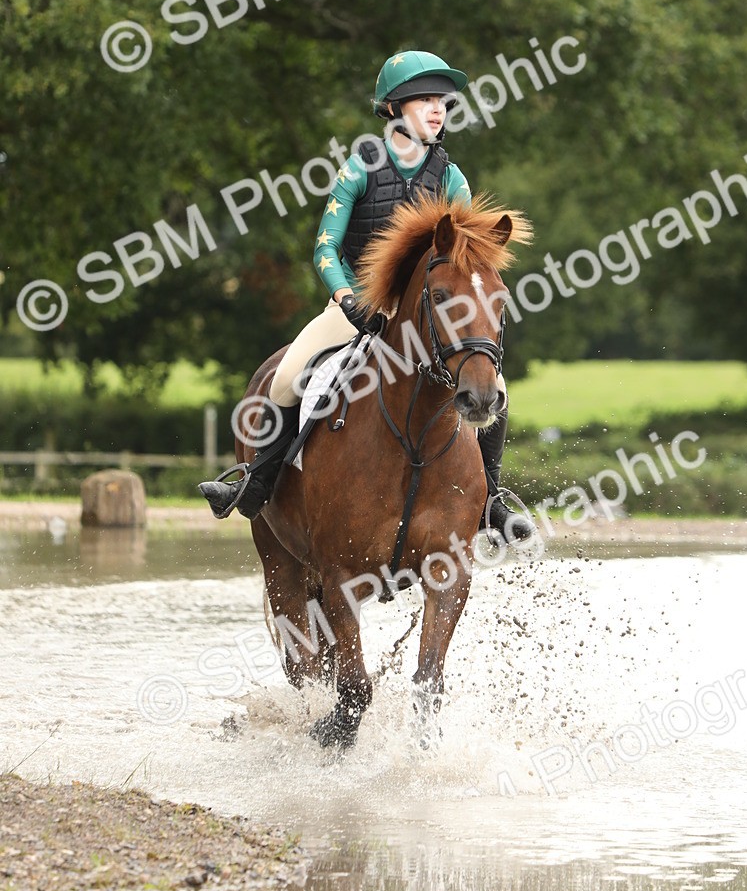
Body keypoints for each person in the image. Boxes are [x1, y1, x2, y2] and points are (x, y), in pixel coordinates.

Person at [199, 50, 535, 542]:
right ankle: (258, 482)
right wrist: (345, 299)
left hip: (426, 314)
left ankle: (492, 500)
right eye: (425, 100)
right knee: (287, 378)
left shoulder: (451, 177)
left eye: (442, 102)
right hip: (356, 306)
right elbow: (325, 247)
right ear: (395, 107)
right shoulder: (359, 169)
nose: (438, 109)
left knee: (496, 387)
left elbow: (466, 259)